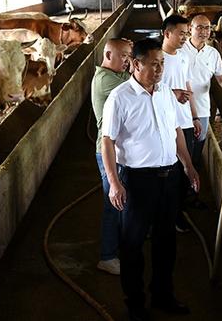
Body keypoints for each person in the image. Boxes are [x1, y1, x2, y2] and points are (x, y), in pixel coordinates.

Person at [101, 38, 200, 321]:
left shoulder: (166, 93)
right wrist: (115, 183)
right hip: (137, 179)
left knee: (165, 241)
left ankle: (163, 295)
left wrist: (189, 166)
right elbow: (107, 142)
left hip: (169, 177)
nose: (159, 69)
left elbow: (177, 132)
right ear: (135, 64)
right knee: (132, 243)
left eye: (162, 64)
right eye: (153, 64)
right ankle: (135, 304)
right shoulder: (120, 97)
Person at [91, 38, 132, 275]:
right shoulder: (106, 80)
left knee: (121, 200)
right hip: (107, 151)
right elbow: (137, 87)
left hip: (119, 149)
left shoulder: (115, 76)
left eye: (129, 56)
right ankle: (107, 256)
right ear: (109, 55)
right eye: (124, 56)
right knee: (112, 202)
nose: (128, 61)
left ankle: (121, 244)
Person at [184, 14, 222, 168]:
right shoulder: (180, 50)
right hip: (180, 107)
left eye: (208, 28)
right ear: (190, 29)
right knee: (181, 146)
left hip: (202, 107)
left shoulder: (213, 53)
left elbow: (220, 78)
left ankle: (192, 177)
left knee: (198, 142)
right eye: (200, 27)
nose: (204, 31)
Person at [159, 14, 201, 232]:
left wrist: (194, 116)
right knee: (169, 173)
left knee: (185, 171)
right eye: (181, 33)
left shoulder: (183, 58)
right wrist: (172, 92)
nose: (185, 38)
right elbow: (148, 89)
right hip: (164, 124)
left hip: (183, 121)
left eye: (186, 33)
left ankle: (177, 213)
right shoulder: (157, 59)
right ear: (167, 33)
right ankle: (167, 216)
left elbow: (187, 86)